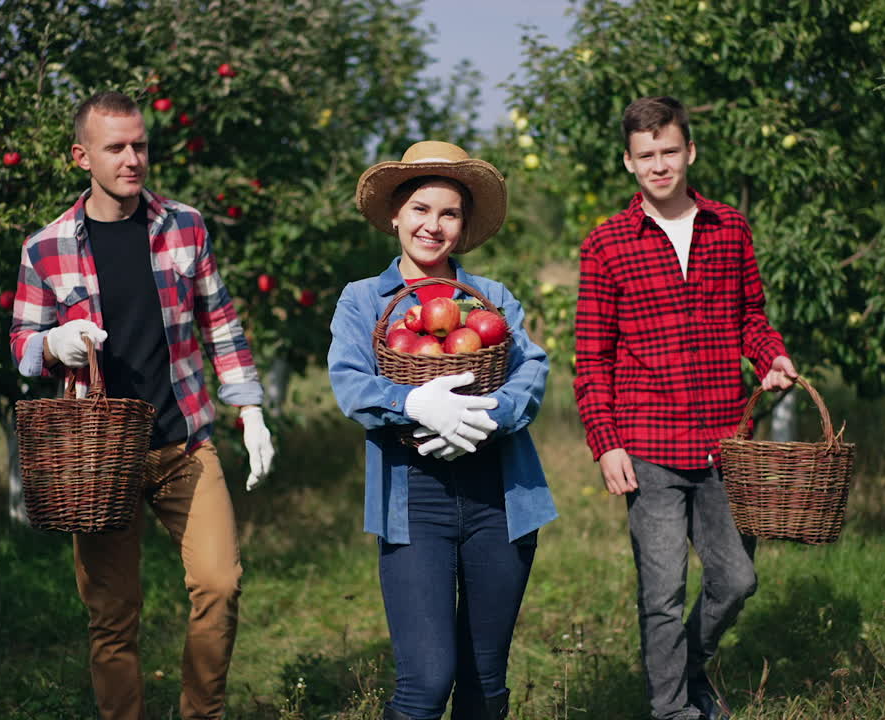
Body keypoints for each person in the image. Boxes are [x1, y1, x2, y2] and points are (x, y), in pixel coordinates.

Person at [7, 90, 275, 720]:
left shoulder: (184, 226)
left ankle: (199, 713)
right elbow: (21, 344)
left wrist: (252, 410)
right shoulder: (44, 249)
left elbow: (222, 325)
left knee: (220, 583)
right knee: (112, 616)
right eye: (116, 147)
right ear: (82, 156)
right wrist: (53, 342)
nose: (133, 159)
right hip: (99, 461)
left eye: (140, 145)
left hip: (184, 445)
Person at [573, 96, 798, 720]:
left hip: (728, 440)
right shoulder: (607, 244)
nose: (659, 165)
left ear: (689, 151)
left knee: (735, 582)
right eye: (646, 156)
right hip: (648, 445)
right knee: (662, 591)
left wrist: (770, 356)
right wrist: (606, 441)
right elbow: (591, 357)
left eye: (670, 151)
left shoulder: (730, 227)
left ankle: (691, 670)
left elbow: (751, 318)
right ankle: (672, 709)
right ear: (628, 161)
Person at [327, 141, 558, 720]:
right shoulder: (363, 301)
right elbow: (351, 384)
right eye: (421, 209)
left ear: (464, 224)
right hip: (415, 500)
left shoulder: (490, 299)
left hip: (498, 499)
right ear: (396, 216)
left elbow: (531, 369)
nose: (433, 226)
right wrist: (413, 403)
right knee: (426, 683)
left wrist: (487, 415)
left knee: (485, 683)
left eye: (449, 213)